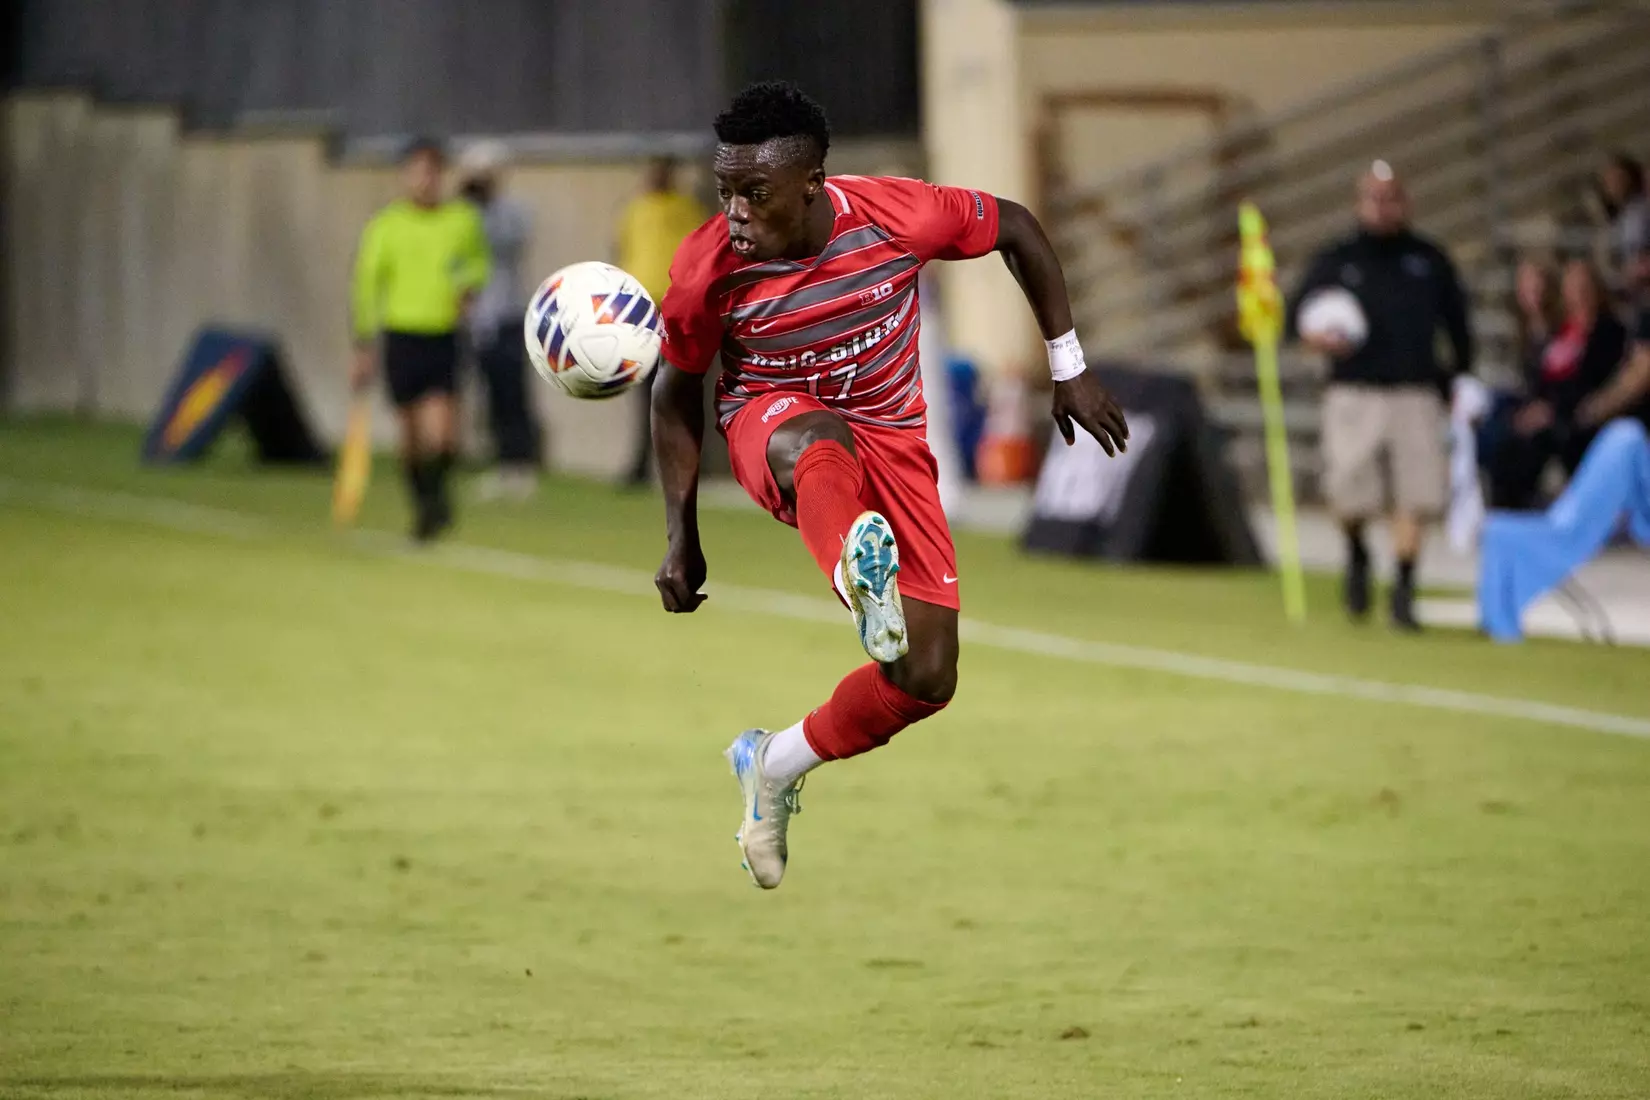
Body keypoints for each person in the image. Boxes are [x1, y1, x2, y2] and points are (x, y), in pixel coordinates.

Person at [650, 81, 1128, 889]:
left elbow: (1015, 226)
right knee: (818, 439)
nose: (734, 211)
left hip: (894, 443)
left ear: (812, 185)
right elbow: (674, 392)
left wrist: (1068, 365)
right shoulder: (706, 270)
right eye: (725, 190)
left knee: (927, 675)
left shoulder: (894, 214)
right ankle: (853, 569)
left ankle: (773, 762)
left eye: (754, 193)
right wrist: (680, 534)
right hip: (773, 428)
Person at [1286, 160, 1473, 631]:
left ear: (1404, 203)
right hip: (1354, 393)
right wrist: (1318, 339)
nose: (1383, 206)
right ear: (1359, 203)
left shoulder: (1429, 259)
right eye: (1374, 197)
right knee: (1349, 494)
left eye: (1391, 197)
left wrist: (1459, 380)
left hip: (1415, 393)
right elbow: (1296, 320)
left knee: (1416, 494)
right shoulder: (1336, 259)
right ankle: (1357, 555)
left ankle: (1405, 590)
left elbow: (1458, 326)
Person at [351, 137, 491, 540]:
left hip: (443, 334)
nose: (425, 180)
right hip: (401, 335)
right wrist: (363, 343)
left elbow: (478, 264)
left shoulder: (461, 220)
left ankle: (438, 498)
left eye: (432, 172)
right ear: (406, 176)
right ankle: (424, 507)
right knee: (411, 436)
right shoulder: (386, 225)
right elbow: (366, 283)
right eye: (418, 172)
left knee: (444, 433)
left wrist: (469, 286)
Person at [1480, 259, 1625, 509]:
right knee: (1501, 427)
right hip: (1550, 406)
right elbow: (1543, 378)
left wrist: (1553, 409)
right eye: (1570, 287)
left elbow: (1596, 380)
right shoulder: (1562, 330)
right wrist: (1534, 408)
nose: (1576, 293)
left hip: (1580, 411)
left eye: (1582, 287)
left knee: (1538, 437)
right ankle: (1504, 507)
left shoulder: (1607, 330)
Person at [616, 156, 710, 486]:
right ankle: (641, 463)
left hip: (676, 309)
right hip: (641, 308)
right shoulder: (636, 209)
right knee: (644, 389)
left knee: (675, 388)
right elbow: (623, 250)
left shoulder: (686, 209)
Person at [457, 140, 542, 501]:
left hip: (507, 314)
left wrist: (484, 203)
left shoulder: (508, 212)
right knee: (488, 392)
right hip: (477, 319)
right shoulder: (461, 213)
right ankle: (499, 459)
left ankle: (520, 463)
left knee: (513, 392)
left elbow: (509, 238)